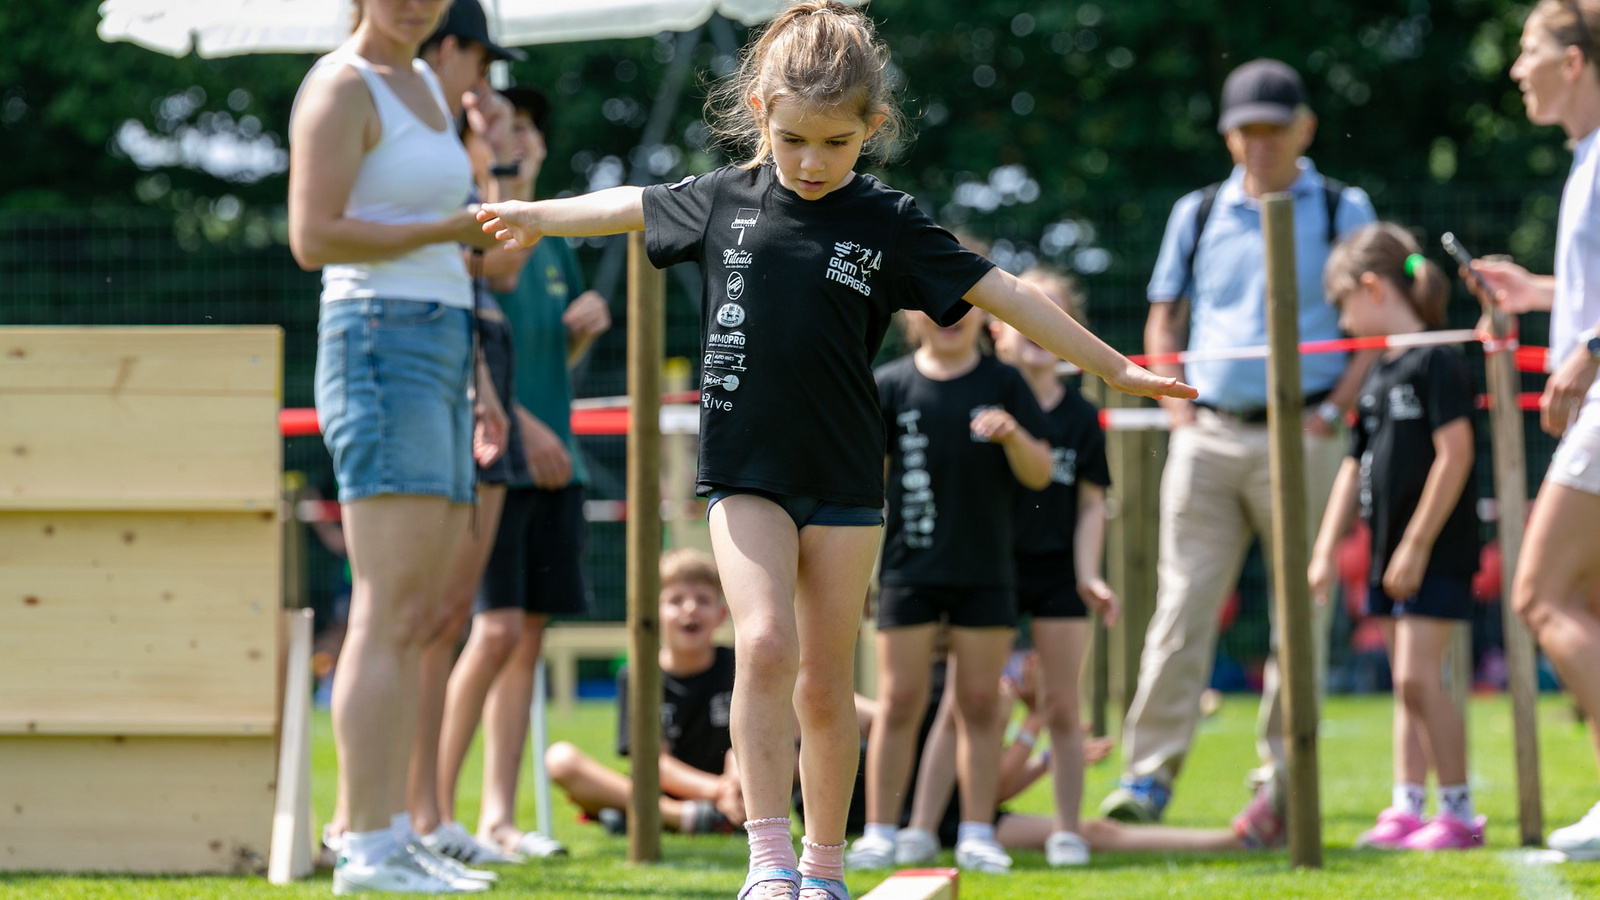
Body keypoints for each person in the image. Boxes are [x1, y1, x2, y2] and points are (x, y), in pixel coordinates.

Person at [477, 4, 1193, 896]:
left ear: (873, 129)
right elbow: (628, 205)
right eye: (793, 141)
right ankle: (769, 861)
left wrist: (1116, 366)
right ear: (758, 110)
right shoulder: (722, 198)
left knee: (824, 679)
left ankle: (824, 865)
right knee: (765, 643)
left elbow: (1001, 290)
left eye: (836, 143)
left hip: (847, 480)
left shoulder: (887, 221)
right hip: (744, 474)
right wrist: (536, 215)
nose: (813, 163)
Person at [1101, 58, 1377, 843]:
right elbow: (1165, 320)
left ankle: (1280, 784)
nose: (1258, 143)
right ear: (1228, 136)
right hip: (1208, 431)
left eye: (1272, 128)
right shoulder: (1193, 212)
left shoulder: (1340, 204)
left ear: (1305, 128)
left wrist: (1336, 410)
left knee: (1304, 612)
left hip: (1308, 430)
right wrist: (1179, 414)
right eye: (1244, 130)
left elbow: (1382, 311)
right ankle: (1146, 777)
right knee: (1181, 607)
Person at [287, 0, 516, 891]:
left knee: (420, 615)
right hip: (378, 336)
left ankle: (392, 830)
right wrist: (443, 230)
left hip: (440, 340)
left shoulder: (423, 79)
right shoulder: (339, 86)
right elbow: (313, 239)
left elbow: (475, 250)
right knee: (386, 612)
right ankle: (368, 848)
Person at [429, 84, 609, 864]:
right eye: (506, 127)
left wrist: (582, 336)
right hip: (499, 456)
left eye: (528, 127)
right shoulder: (479, 224)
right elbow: (478, 335)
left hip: (553, 463)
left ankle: (498, 819)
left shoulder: (558, 235)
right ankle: (433, 810)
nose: (519, 138)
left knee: (525, 638)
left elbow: (537, 351)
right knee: (490, 629)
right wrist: (523, 421)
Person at [847, 307, 1052, 876]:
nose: (950, 315)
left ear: (986, 316)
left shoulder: (1004, 382)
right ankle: (881, 831)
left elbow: (1040, 473)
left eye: (964, 304)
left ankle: (977, 833)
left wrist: (1012, 436)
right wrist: (861, 571)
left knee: (980, 703)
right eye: (936, 305)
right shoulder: (890, 384)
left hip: (986, 570)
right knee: (901, 701)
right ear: (912, 317)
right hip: (907, 570)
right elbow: (867, 487)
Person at [1466, 0, 1600, 857]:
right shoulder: (1586, 158)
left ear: (1575, 62)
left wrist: (1583, 356)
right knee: (1579, 599)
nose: (1517, 69)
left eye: (1528, 51)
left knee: (1538, 594)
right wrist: (1542, 296)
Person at [1310, 223, 1483, 850]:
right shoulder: (1379, 373)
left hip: (1432, 553)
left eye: (1342, 303)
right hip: (1386, 555)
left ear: (1372, 288)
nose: (1341, 319)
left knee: (1416, 679)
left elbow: (1455, 455)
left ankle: (1459, 813)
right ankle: (1407, 805)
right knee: (1403, 682)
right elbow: (1352, 465)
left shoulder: (1437, 358)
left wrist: (1414, 544)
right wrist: (1326, 548)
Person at [543, 548, 746, 834]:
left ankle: (637, 816)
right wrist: (717, 791)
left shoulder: (740, 666)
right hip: (666, 794)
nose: (690, 609)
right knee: (560, 760)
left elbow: (758, 745)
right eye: (676, 600)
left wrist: (736, 781)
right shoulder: (638, 676)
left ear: (721, 614)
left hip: (736, 794)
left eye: (703, 599)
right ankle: (682, 816)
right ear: (654, 612)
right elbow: (654, 764)